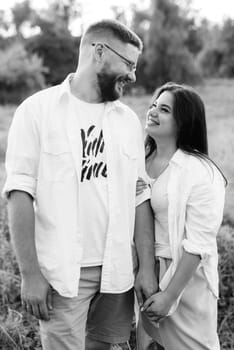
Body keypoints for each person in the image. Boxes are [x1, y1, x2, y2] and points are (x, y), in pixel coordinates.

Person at [2, 20, 157, 350]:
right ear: (99, 52)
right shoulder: (37, 111)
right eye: (129, 64)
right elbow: (19, 193)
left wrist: (145, 267)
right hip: (63, 273)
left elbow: (139, 194)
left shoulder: (127, 121)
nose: (133, 75)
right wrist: (30, 273)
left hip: (118, 269)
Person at [136, 82, 226, 350]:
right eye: (154, 105)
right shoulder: (139, 160)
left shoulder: (202, 172)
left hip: (185, 277)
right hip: (144, 268)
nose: (152, 111)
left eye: (164, 109)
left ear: (183, 122)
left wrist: (170, 295)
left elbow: (199, 244)